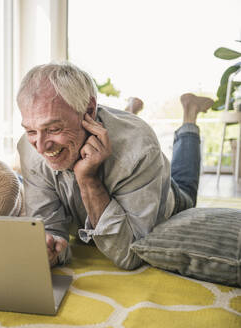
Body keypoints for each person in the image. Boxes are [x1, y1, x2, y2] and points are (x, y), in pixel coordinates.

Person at [17, 61, 213, 269]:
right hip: (114, 139)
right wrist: (52, 247)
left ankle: (190, 114)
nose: (40, 147)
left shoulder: (139, 147)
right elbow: (49, 229)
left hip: (165, 194)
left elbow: (130, 253)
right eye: (30, 131)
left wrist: (88, 180)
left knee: (186, 187)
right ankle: (130, 108)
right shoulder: (30, 148)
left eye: (54, 129)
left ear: (89, 110)